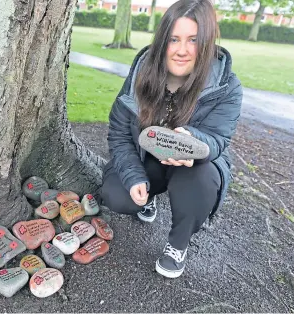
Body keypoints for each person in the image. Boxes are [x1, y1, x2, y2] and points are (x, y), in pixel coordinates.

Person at [101, 0, 243, 278]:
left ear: (207, 42)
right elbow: (119, 132)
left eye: (193, 40)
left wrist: (195, 143)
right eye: (174, 39)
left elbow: (218, 138)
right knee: (117, 195)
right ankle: (149, 196)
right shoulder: (142, 74)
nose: (181, 50)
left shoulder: (226, 85)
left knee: (199, 184)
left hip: (195, 166)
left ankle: (178, 245)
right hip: (149, 159)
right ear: (163, 40)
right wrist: (132, 177)